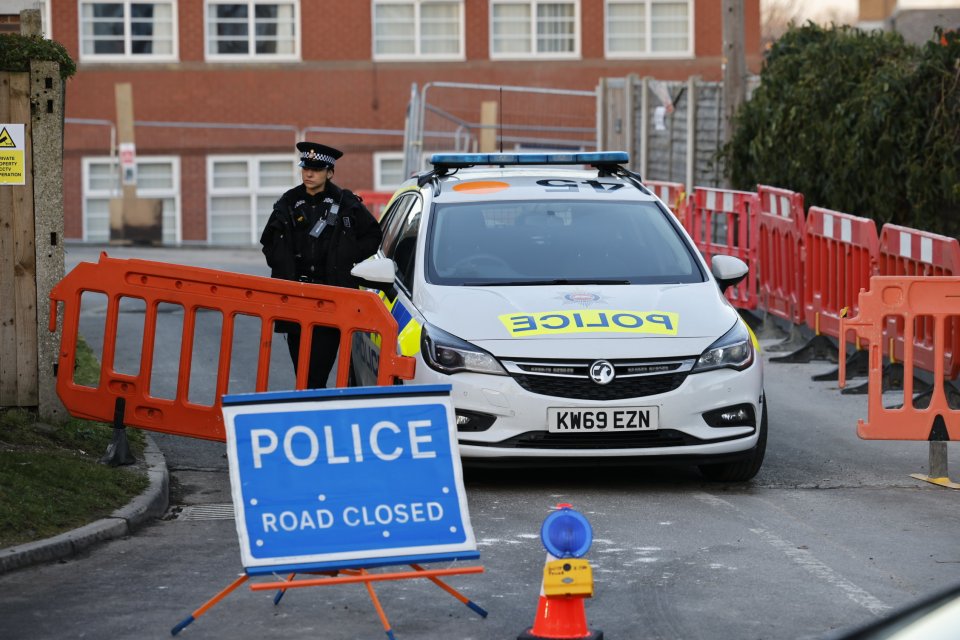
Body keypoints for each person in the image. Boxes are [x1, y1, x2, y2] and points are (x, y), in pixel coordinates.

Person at [260, 142, 382, 388]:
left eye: (316, 169)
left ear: (329, 172)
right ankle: (309, 407)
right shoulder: (289, 201)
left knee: (318, 370)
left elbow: (373, 236)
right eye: (305, 168)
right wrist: (283, 265)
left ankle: (312, 409)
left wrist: (347, 257)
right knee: (302, 371)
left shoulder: (345, 202)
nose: (309, 173)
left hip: (332, 295)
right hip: (297, 297)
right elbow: (269, 242)